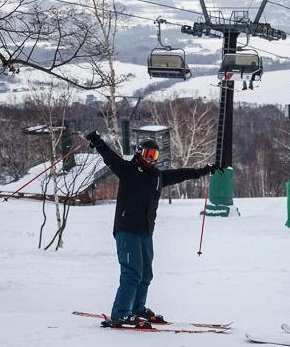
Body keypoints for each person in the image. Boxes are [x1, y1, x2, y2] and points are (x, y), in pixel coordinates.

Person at [85, 131, 223, 329]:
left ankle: (137, 308)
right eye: (148, 154)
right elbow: (110, 156)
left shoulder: (158, 177)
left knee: (145, 273)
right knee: (132, 272)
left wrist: (204, 170)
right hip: (127, 230)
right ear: (140, 153)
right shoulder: (128, 170)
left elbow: (183, 174)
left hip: (146, 231)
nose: (150, 159)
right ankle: (120, 314)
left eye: (154, 156)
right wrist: (97, 141)